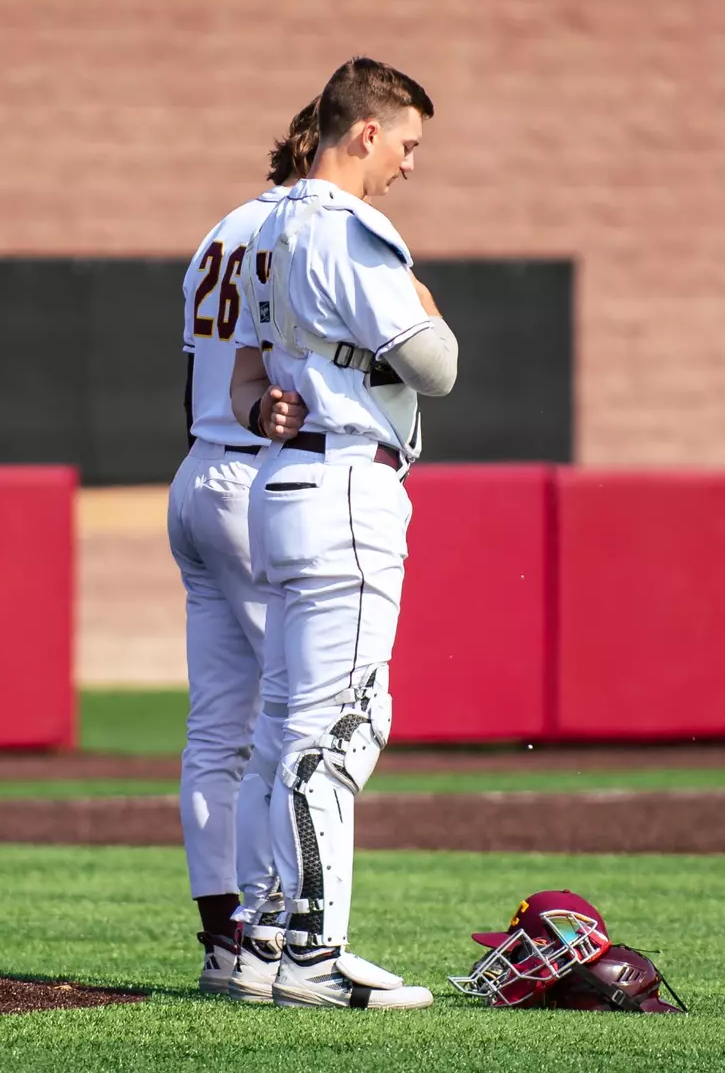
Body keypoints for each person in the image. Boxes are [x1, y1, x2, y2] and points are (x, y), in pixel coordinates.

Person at [231, 57, 458, 1011]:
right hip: (348, 489)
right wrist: (427, 301)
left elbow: (247, 372)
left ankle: (259, 941)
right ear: (367, 131)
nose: (409, 163)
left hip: (283, 483)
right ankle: (314, 956)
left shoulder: (267, 223)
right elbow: (438, 366)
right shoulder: (351, 227)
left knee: (281, 725)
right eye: (407, 142)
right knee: (340, 729)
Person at [168, 98, 319, 1002]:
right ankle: (273, 933)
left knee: (214, 732)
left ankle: (224, 938)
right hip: (251, 475)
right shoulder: (302, 231)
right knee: (295, 714)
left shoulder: (218, 231)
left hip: (197, 470)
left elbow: (192, 371)